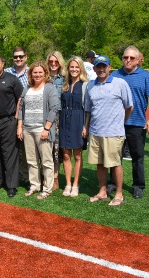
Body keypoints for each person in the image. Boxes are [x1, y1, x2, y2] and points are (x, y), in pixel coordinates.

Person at [109, 46, 149, 199]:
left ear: (138, 60)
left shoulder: (145, 75)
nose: (128, 60)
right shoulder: (115, 74)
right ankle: (114, 183)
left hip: (137, 122)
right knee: (115, 155)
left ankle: (138, 185)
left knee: (137, 156)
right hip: (116, 122)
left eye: (131, 58)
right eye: (125, 57)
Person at [85, 55, 133, 207]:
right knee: (100, 164)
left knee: (115, 163)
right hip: (95, 131)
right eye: (98, 66)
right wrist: (86, 127)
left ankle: (119, 194)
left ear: (109, 67)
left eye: (104, 66)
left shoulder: (120, 83)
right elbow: (88, 110)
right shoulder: (90, 86)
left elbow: (129, 107)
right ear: (94, 68)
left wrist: (120, 122)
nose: (101, 69)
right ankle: (102, 191)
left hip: (113, 132)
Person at [17, 61, 59, 200]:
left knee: (46, 161)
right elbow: (22, 108)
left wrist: (47, 128)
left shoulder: (49, 88)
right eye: (35, 72)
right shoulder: (27, 87)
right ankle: (34, 185)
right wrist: (20, 126)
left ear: (45, 73)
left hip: (42, 129)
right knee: (31, 160)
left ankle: (47, 188)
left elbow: (54, 109)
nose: (38, 74)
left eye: (40, 72)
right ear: (31, 74)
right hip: (27, 129)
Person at [0, 55, 23, 197]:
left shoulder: (11, 79)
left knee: (10, 154)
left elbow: (20, 98)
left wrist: (16, 118)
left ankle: (11, 185)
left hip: (8, 121)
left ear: (3, 64)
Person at [59, 56, 89, 197]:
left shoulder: (85, 85)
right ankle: (68, 184)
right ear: (68, 68)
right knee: (65, 155)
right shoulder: (65, 85)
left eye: (77, 67)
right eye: (72, 67)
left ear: (81, 68)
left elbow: (88, 108)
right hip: (65, 120)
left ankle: (76, 184)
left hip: (78, 120)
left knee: (77, 155)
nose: (74, 69)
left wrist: (85, 126)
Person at [5, 46, 30, 186]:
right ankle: (12, 175)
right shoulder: (7, 72)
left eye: (21, 56)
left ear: (25, 57)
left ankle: (26, 177)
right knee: (13, 147)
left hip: (28, 114)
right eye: (16, 57)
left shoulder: (31, 72)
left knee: (26, 149)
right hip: (11, 116)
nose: (18, 59)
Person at [46, 51, 66, 191]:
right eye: (51, 61)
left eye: (56, 61)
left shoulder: (64, 78)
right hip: (45, 117)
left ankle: (55, 177)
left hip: (59, 117)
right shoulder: (44, 77)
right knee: (45, 148)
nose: (53, 64)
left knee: (56, 149)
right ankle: (45, 177)